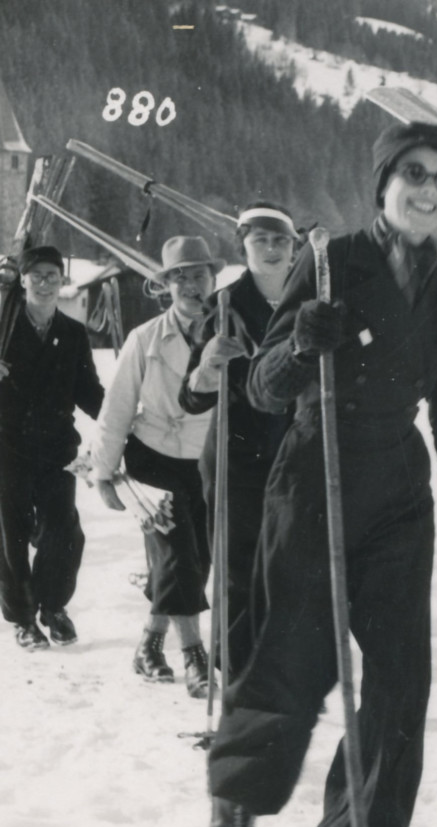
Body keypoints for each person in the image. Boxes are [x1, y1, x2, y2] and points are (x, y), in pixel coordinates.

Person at [203, 122, 437, 827]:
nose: (427, 191)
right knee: (293, 659)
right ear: (384, 184)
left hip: (397, 486)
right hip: (313, 474)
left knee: (400, 682)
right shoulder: (329, 262)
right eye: (413, 175)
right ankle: (237, 798)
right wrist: (300, 344)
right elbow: (264, 390)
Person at [93, 236, 218, 697]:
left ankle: (150, 642)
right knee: (179, 557)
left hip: (205, 462)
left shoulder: (228, 337)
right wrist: (103, 472)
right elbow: (117, 407)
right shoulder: (143, 338)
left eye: (198, 275)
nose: (190, 285)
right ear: (165, 285)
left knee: (195, 562)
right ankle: (194, 656)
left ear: (213, 279)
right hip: (151, 462)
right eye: (179, 277)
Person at [178, 202, 299, 680]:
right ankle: (238, 684)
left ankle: (278, 675)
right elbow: (190, 399)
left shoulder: (311, 301)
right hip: (238, 459)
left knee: (289, 569)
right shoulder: (223, 307)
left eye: (281, 241)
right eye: (260, 240)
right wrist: (208, 365)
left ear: (295, 247)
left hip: (295, 457)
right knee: (238, 575)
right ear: (243, 246)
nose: (271, 250)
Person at [0, 246, 104, 650]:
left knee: (63, 530)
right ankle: (23, 618)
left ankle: (53, 607)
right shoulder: (3, 327)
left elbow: (88, 391)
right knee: (11, 535)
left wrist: (122, 416)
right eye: (36, 276)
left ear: (63, 281)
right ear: (23, 281)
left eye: (52, 276)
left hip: (57, 446)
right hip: (7, 445)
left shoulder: (74, 333)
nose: (45, 283)